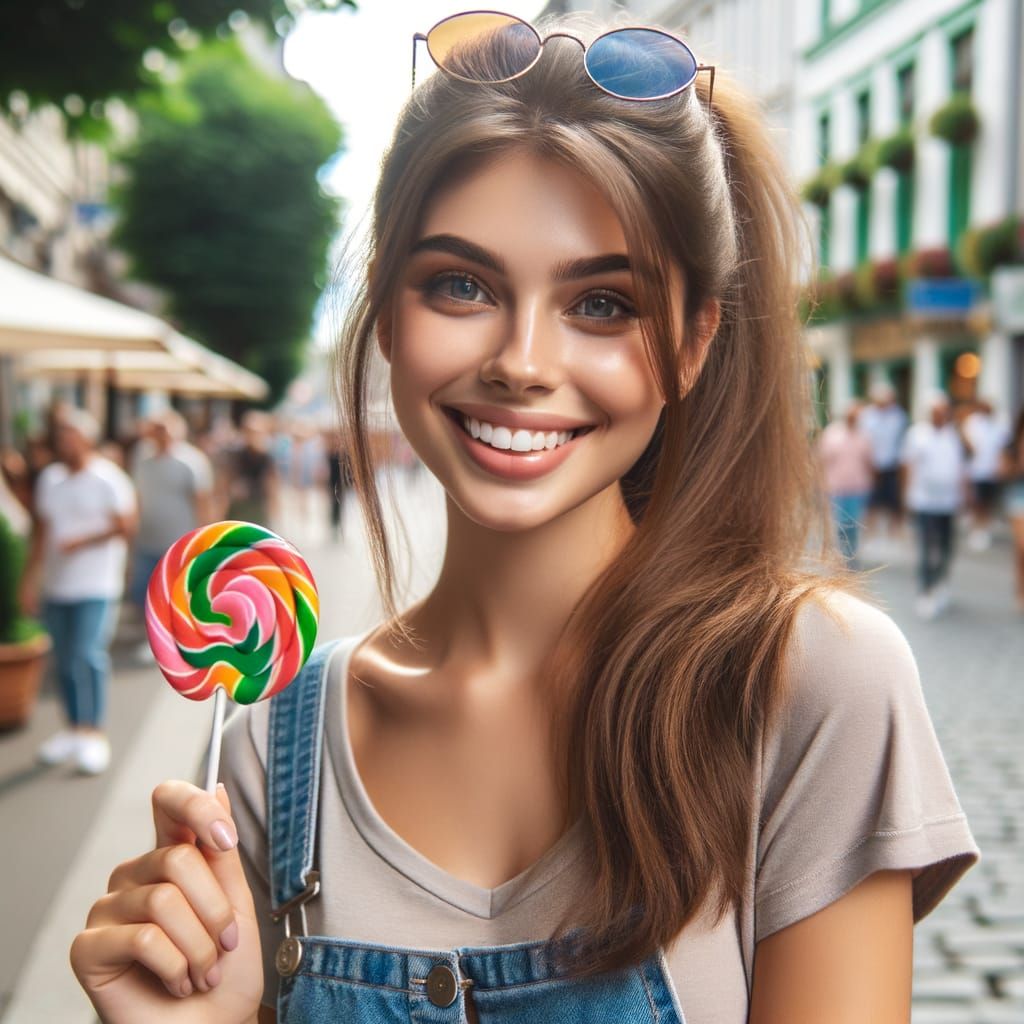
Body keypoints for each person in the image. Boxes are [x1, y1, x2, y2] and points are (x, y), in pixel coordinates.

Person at [70, 13, 978, 1024]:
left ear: (691, 342)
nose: (522, 360)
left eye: (603, 304)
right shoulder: (267, 751)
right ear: (387, 304)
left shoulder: (810, 685)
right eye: (461, 284)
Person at [19, 407, 136, 774]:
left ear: (87, 438)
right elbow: (43, 532)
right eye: (61, 435)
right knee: (64, 660)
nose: (65, 441)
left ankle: (94, 732)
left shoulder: (109, 479)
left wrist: (83, 542)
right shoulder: (50, 479)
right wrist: (30, 579)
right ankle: (72, 728)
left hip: (96, 584)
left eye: (72, 434)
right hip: (58, 586)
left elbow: (126, 526)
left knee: (88, 654)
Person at [130, 409, 214, 660]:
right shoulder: (141, 459)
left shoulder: (191, 461)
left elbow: (202, 501)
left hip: (179, 542)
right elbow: (137, 497)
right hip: (147, 539)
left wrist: (204, 539)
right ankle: (157, 641)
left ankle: (178, 642)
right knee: (146, 595)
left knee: (175, 594)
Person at [901, 391, 968, 620]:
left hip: (948, 502)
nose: (940, 415)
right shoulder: (917, 434)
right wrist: (907, 496)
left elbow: (961, 466)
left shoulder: (954, 435)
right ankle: (925, 590)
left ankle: (941, 583)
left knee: (947, 547)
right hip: (924, 501)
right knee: (927, 547)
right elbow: (908, 465)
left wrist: (964, 495)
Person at [816, 401, 874, 567]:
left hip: (857, 487)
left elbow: (869, 461)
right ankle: (842, 558)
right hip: (836, 487)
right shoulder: (832, 434)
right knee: (840, 525)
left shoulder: (864, 436)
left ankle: (852, 559)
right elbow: (821, 460)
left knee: (854, 524)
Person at [860, 382, 909, 543]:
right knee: (871, 499)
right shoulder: (867, 416)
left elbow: (901, 440)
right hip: (872, 464)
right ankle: (871, 529)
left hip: (892, 464)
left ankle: (894, 530)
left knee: (894, 498)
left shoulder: (899, 416)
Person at [962, 397, 1011, 551]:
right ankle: (977, 528)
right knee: (977, 501)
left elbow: (1003, 448)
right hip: (976, 470)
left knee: (988, 502)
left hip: (991, 471)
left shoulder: (999, 425)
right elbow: (966, 441)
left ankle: (984, 528)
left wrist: (1002, 465)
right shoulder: (973, 422)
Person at [1002, 407, 1024, 612]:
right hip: (1020, 493)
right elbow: (1003, 470)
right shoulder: (1014, 442)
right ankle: (1020, 588)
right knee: (1022, 545)